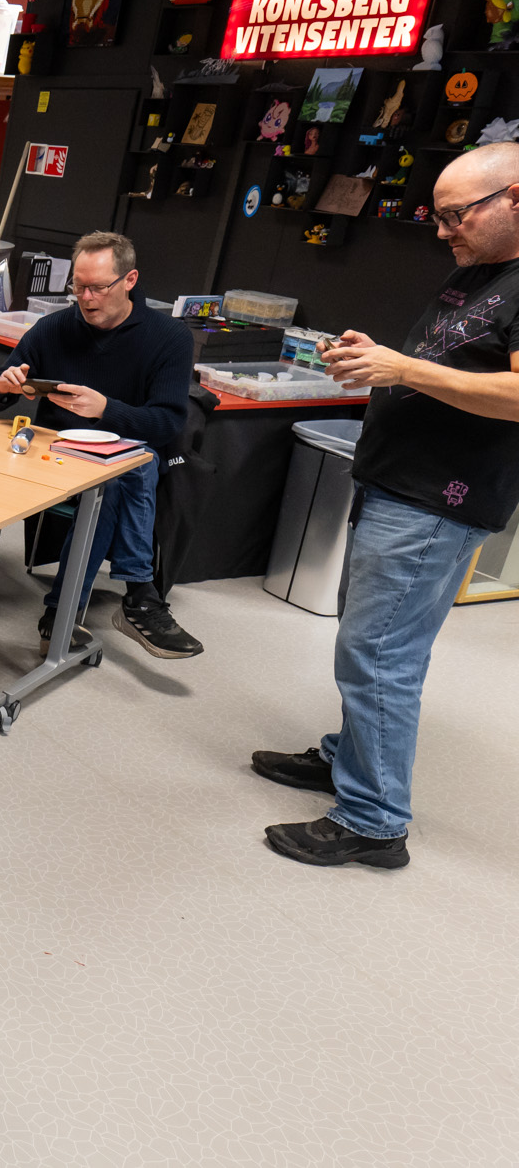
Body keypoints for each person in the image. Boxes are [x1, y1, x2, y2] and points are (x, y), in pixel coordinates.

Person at [252, 143, 519, 869]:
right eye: (439, 216)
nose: (443, 230)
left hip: (437, 501)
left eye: (457, 215)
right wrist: (381, 359)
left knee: (379, 654)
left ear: (514, 197)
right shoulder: (481, 270)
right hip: (397, 483)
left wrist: (404, 368)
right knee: (371, 643)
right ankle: (348, 758)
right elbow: (449, 368)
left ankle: (373, 820)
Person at [0, 230, 202, 659]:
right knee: (123, 475)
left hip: (123, 461)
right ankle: (140, 595)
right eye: (77, 287)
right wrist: (4, 387)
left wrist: (105, 410)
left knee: (120, 475)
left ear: (129, 280)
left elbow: (168, 424)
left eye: (97, 287)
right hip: (52, 455)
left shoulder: (169, 337)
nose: (85, 298)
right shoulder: (53, 328)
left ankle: (61, 612)